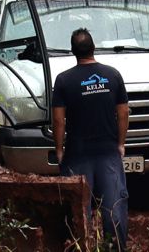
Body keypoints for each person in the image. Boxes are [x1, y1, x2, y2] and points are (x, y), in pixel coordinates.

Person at [49, 27, 129, 251]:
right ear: (94, 48)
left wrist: (59, 150)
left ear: (73, 51)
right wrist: (120, 144)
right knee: (114, 211)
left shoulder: (63, 80)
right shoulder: (113, 75)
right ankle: (114, 248)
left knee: (77, 212)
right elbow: (123, 113)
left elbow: (59, 121)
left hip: (77, 155)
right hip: (108, 153)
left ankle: (79, 247)